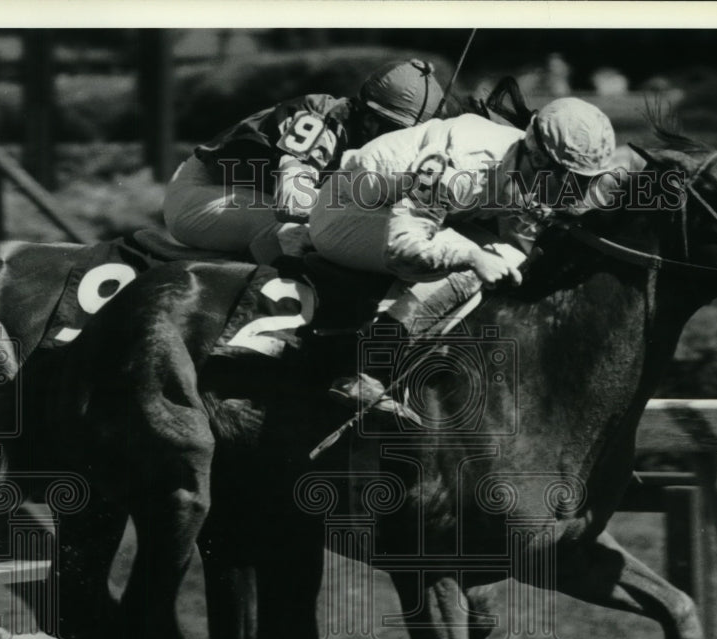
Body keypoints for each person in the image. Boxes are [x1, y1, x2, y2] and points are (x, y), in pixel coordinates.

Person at [306, 97, 641, 416]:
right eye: (571, 181)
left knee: (509, 260)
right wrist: (471, 258)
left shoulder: (523, 159)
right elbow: (401, 247)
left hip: (400, 210)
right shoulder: (461, 165)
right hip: (344, 213)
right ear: (540, 160)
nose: (573, 192)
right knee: (470, 265)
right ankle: (367, 369)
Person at [162, 59, 446, 264]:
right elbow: (292, 203)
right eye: (396, 131)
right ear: (370, 117)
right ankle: (262, 328)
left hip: (253, 196)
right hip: (201, 194)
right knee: (300, 234)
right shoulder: (319, 118)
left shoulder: (371, 137)